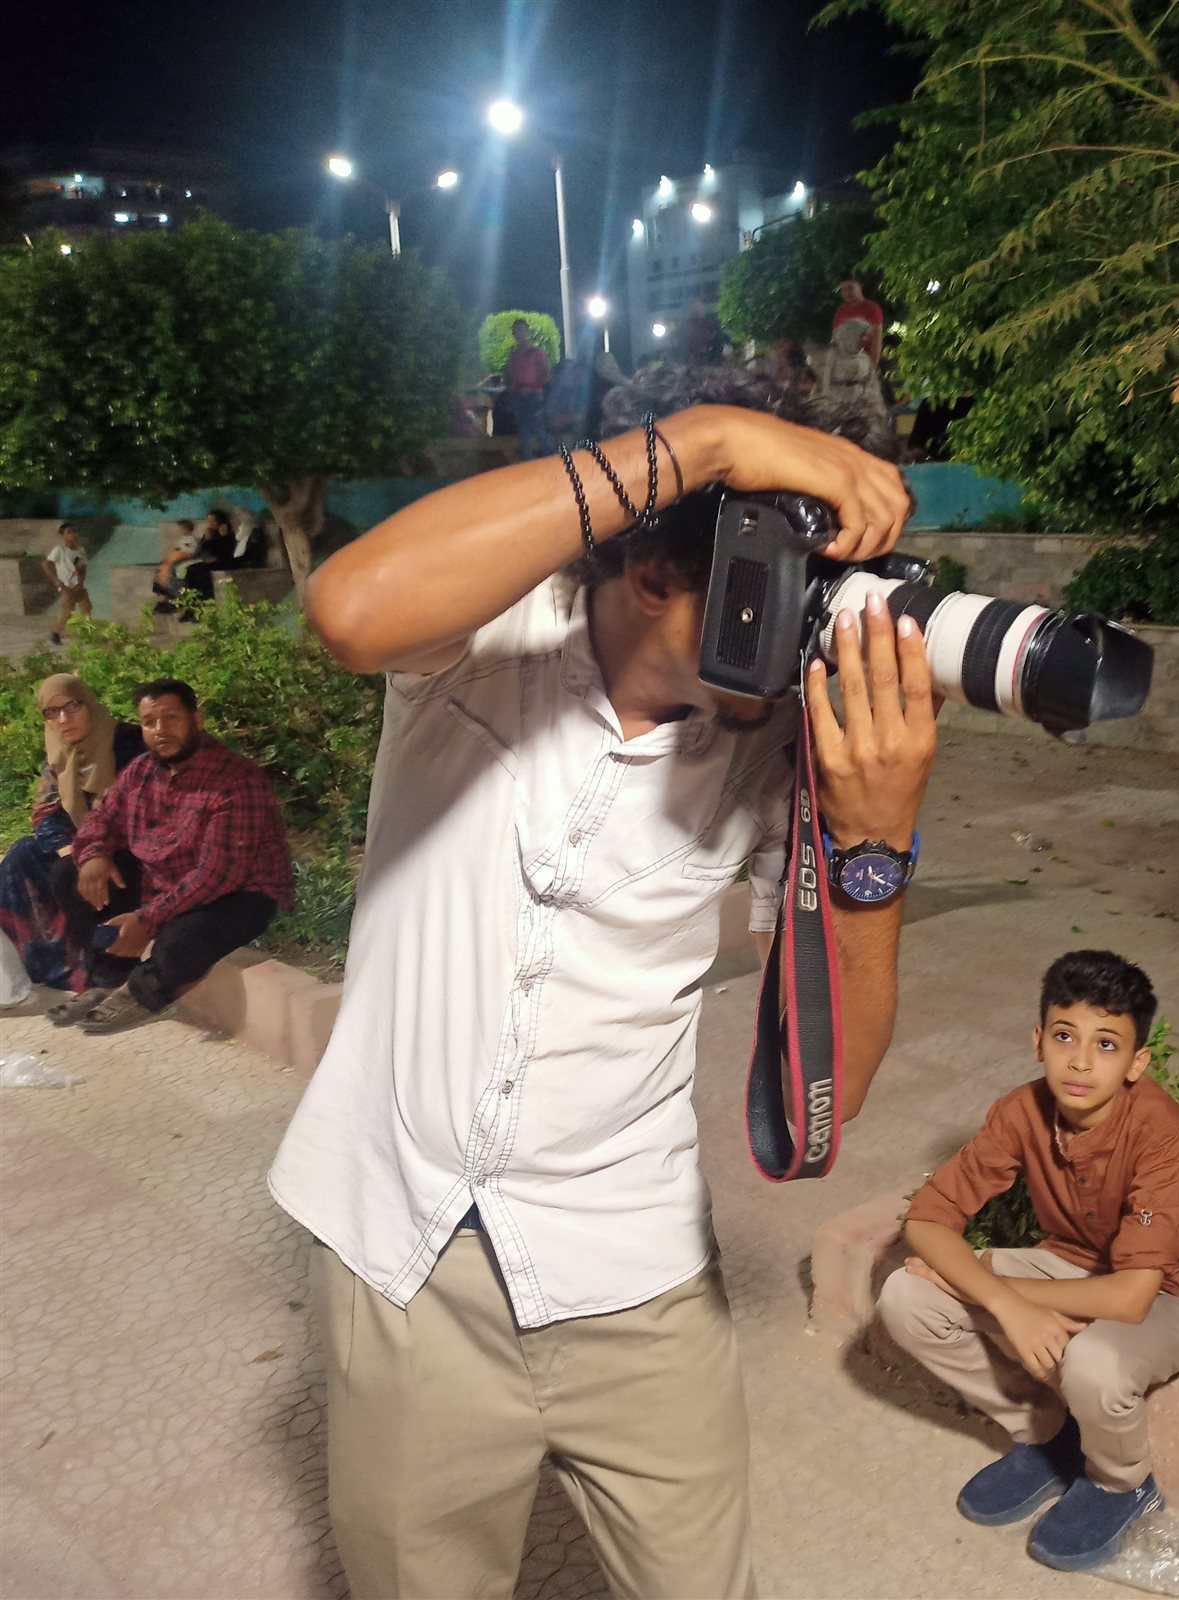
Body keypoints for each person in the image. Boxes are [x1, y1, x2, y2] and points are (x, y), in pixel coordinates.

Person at [268, 364, 934, 1600]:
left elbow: (828, 1083)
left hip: (635, 1272)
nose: (810, 634)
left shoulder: (786, 749)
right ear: (657, 572)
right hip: (402, 1250)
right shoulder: (490, 632)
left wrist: (874, 845)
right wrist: (713, 440)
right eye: (786, 587)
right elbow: (350, 608)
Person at [877, 949, 1179, 1574]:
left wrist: (993, 1288)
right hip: (1075, 1263)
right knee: (906, 1298)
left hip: (1178, 1292)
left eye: (1107, 1045)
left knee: (1094, 1363)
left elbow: (1131, 1296)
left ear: (1137, 1063)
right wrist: (1002, 1301)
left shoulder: (1161, 1135)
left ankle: (1121, 1485)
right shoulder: (1022, 1110)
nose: (1080, 1061)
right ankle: (1047, 1435)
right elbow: (929, 1220)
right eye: (1065, 1036)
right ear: (1038, 1040)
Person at [45, 679, 294, 1037]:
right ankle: (107, 979)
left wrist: (148, 919)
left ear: (197, 720)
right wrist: (95, 854)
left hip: (238, 892)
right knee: (68, 874)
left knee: (179, 941)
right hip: (163, 880)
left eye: (171, 718)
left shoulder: (236, 780)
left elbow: (218, 873)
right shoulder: (141, 771)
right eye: (149, 722)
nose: (160, 730)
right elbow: (102, 820)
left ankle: (142, 991)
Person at [0, 676, 145, 991]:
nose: (63, 719)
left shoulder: (131, 744)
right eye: (52, 712)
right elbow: (45, 814)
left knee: (68, 873)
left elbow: (139, 812)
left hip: (133, 848)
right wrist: (70, 849)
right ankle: (55, 961)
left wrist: (92, 853)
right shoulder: (58, 757)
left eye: (72, 706)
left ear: (89, 704)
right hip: (85, 846)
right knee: (23, 855)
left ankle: (107, 961)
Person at [504, 318, 552, 462]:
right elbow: (509, 375)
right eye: (516, 332)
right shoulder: (514, 355)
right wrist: (513, 388)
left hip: (533, 396)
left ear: (528, 333)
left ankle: (550, 459)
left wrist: (531, 386)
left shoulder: (536, 353)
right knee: (524, 432)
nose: (519, 334)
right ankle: (529, 462)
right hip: (518, 396)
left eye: (521, 331)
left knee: (538, 429)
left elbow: (547, 375)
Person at [43, 522, 91, 645]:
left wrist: (81, 582)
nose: (73, 535)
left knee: (87, 607)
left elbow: (83, 568)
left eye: (74, 531)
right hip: (66, 586)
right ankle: (55, 632)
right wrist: (56, 580)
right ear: (62, 536)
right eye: (69, 532)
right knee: (68, 611)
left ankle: (86, 632)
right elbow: (46, 564)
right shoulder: (60, 550)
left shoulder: (81, 550)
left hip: (78, 586)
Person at [833, 278, 883, 367]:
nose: (847, 293)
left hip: (864, 361)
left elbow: (877, 339)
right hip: (844, 362)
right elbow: (835, 338)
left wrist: (873, 365)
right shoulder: (840, 311)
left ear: (860, 287)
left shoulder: (872, 308)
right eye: (843, 290)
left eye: (850, 288)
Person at [676, 299, 726, 365]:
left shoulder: (710, 324)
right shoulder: (684, 327)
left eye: (700, 308)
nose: (697, 311)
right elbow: (682, 344)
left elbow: (718, 339)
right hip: (691, 359)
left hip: (710, 357)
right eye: (695, 309)